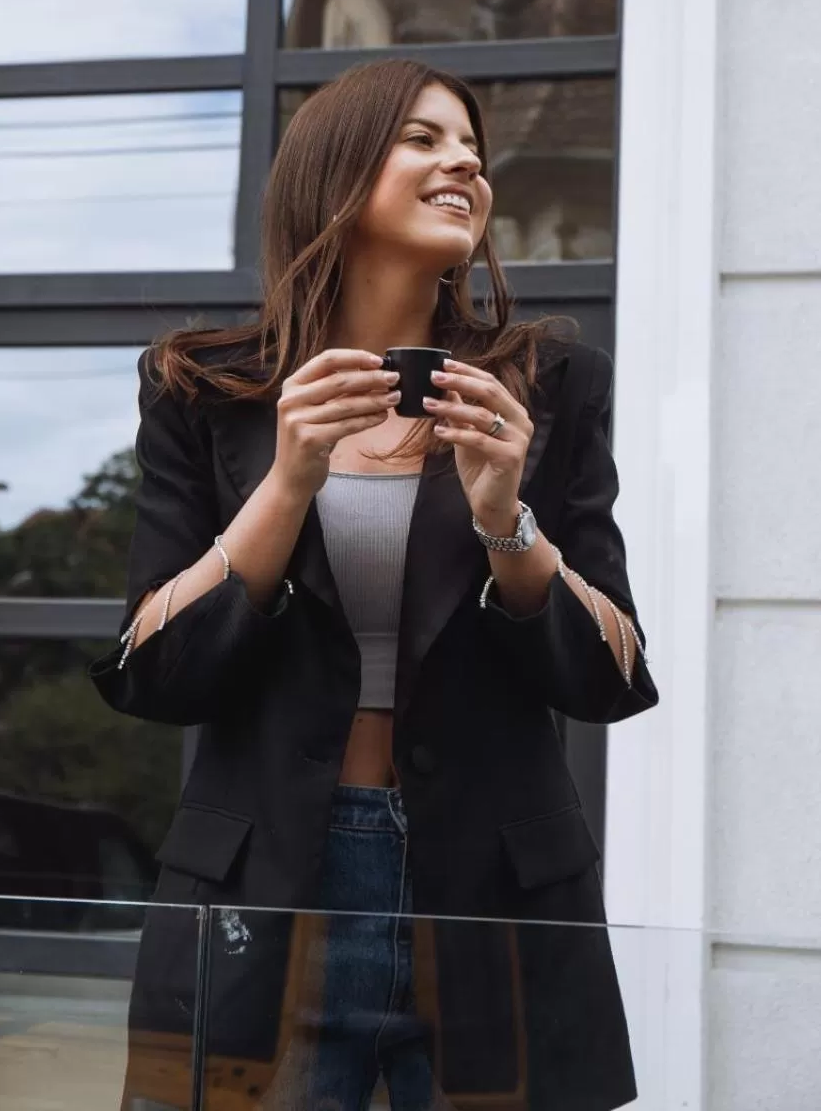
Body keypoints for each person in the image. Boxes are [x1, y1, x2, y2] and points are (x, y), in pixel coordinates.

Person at [91, 57, 658, 1111]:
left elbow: (612, 673)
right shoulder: (201, 386)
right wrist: (289, 477)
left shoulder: (551, 386)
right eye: (425, 138)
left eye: (471, 147)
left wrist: (506, 519)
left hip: (496, 902)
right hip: (266, 895)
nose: (466, 162)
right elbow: (150, 671)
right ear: (339, 171)